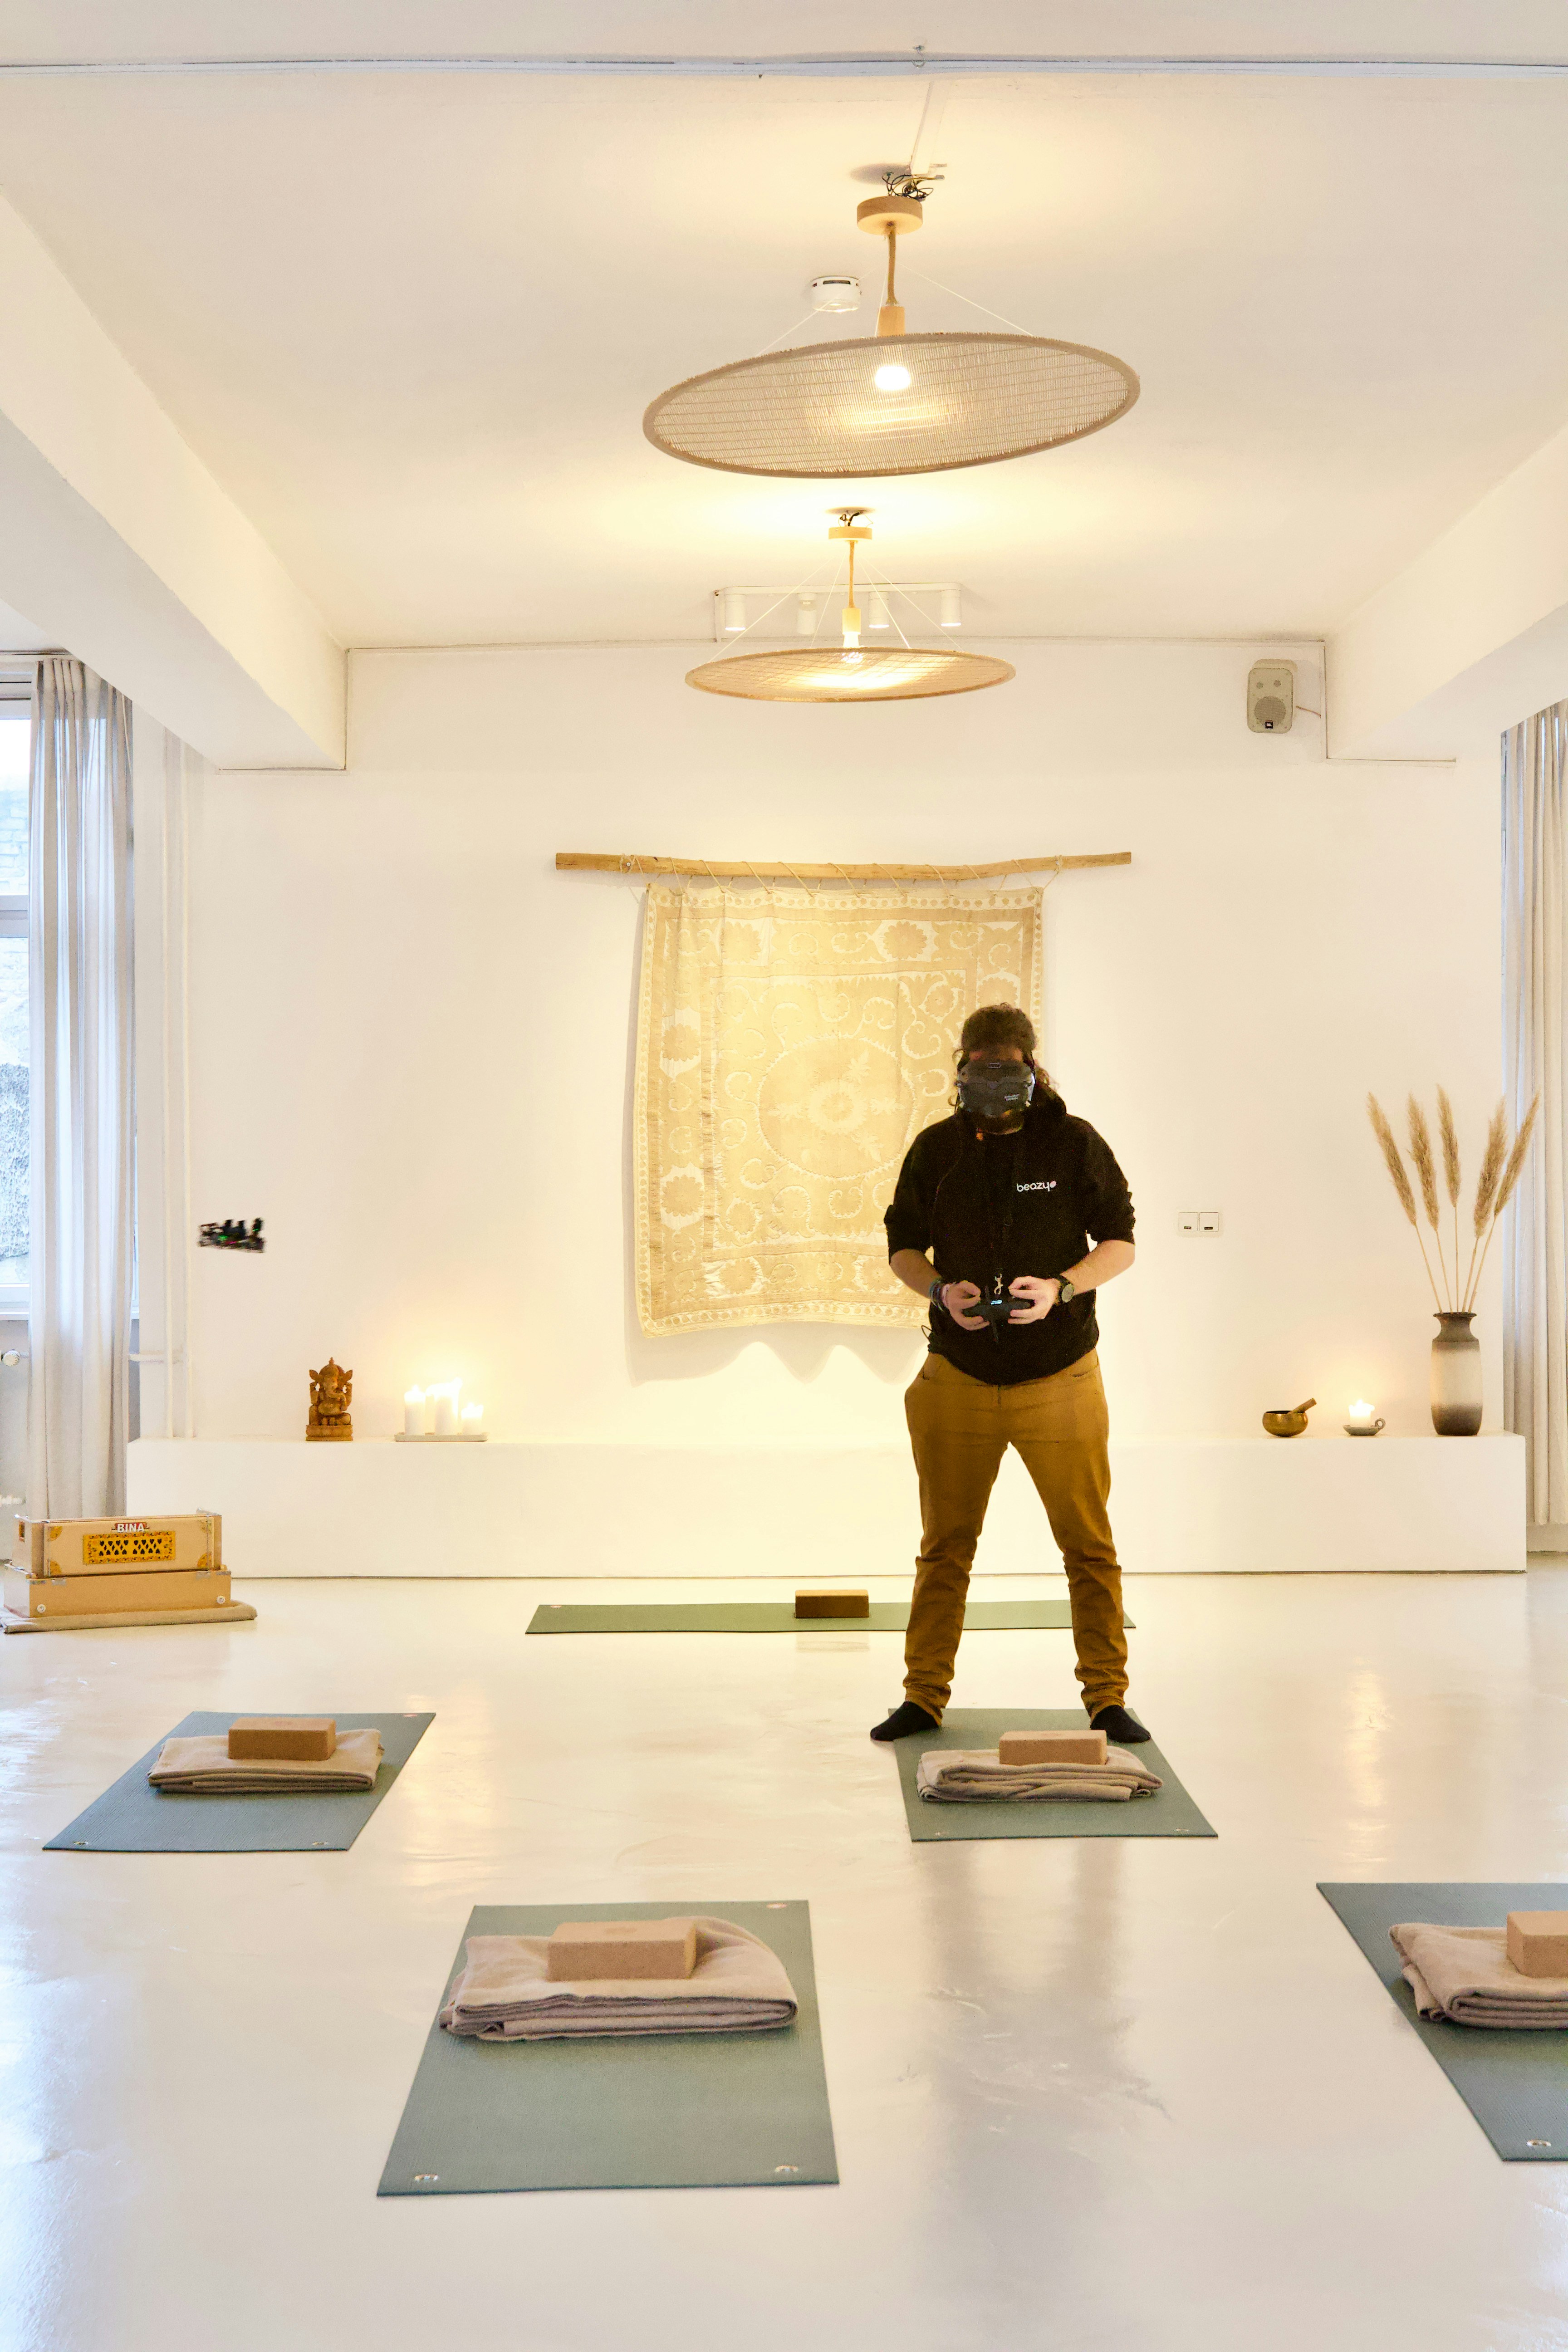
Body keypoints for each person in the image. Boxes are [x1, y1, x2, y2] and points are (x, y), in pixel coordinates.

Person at [872, 1002, 1143, 1744]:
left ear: (1032, 1067)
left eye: (1007, 1069)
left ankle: (1107, 1698)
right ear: (960, 1069)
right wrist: (938, 1291)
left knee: (1088, 1545)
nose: (993, 1082)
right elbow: (902, 1246)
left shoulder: (1073, 1143)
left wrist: (1063, 1285)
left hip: (1062, 1379)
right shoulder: (936, 1149)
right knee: (944, 1548)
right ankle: (923, 1697)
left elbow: (1121, 1241)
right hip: (955, 1379)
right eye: (979, 1069)